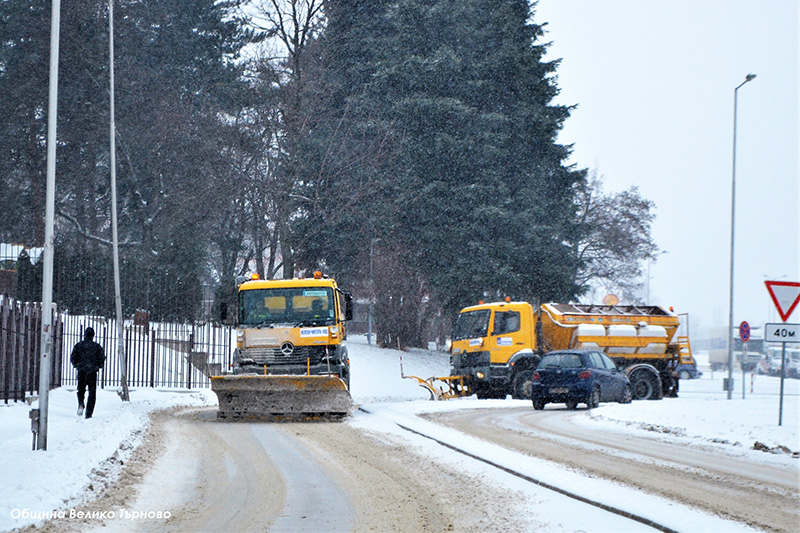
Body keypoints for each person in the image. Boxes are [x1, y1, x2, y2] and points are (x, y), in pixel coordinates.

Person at [70, 327, 106, 419]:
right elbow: (102, 358)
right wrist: (97, 366)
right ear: (93, 335)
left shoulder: (78, 346)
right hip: (92, 372)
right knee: (92, 392)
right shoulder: (97, 347)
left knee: (81, 390)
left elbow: (73, 358)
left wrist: (78, 366)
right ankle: (89, 413)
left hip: (81, 371)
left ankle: (81, 403)